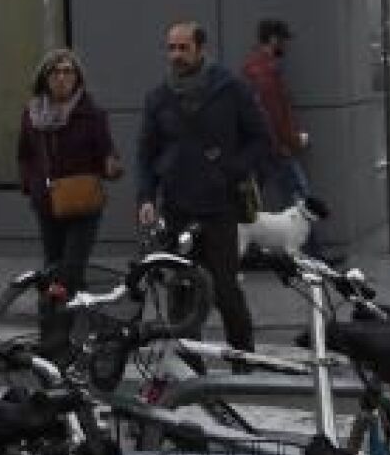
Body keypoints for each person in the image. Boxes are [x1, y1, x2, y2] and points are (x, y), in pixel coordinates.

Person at [136, 21, 271, 352]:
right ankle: (187, 362)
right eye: (171, 48)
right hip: (176, 206)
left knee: (225, 290)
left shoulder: (230, 89)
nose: (176, 55)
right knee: (180, 291)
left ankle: (244, 358)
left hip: (219, 207)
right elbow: (146, 153)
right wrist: (146, 197)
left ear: (200, 49)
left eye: (183, 48)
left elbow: (260, 138)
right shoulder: (159, 97)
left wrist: (231, 170)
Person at [15, 48, 121, 351]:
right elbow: (25, 155)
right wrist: (32, 185)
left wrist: (111, 166)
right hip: (48, 204)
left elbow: (107, 154)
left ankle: (58, 341)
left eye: (68, 72)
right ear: (45, 78)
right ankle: (73, 332)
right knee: (53, 270)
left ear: (77, 78)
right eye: (55, 72)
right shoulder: (32, 115)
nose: (62, 78)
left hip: (82, 204)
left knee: (70, 271)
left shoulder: (92, 114)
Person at [240, 19, 306, 208]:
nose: (285, 46)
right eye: (283, 40)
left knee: (254, 199)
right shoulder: (266, 72)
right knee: (299, 196)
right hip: (275, 147)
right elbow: (274, 114)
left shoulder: (252, 68)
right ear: (273, 39)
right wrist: (290, 142)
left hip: (259, 146)